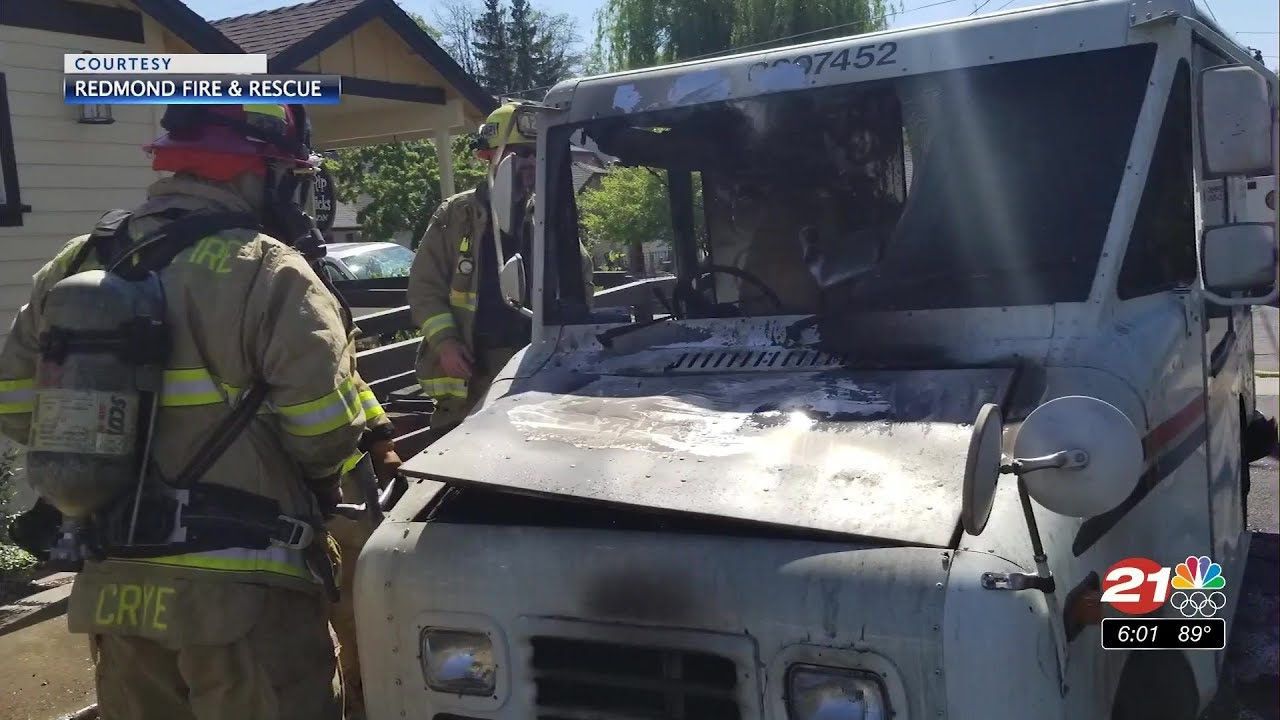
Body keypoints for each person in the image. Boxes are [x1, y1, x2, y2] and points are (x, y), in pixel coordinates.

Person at [0, 103, 371, 720]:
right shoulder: (270, 271)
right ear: (262, 176)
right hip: (243, 599)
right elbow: (324, 434)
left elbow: (14, 406)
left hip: (116, 593)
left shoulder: (76, 262)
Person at [408, 101, 592, 436]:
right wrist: (446, 342)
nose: (532, 163)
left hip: (535, 364)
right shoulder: (456, 216)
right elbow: (425, 288)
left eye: (538, 154)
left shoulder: (548, 215)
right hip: (471, 375)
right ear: (489, 156)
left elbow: (580, 278)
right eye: (521, 153)